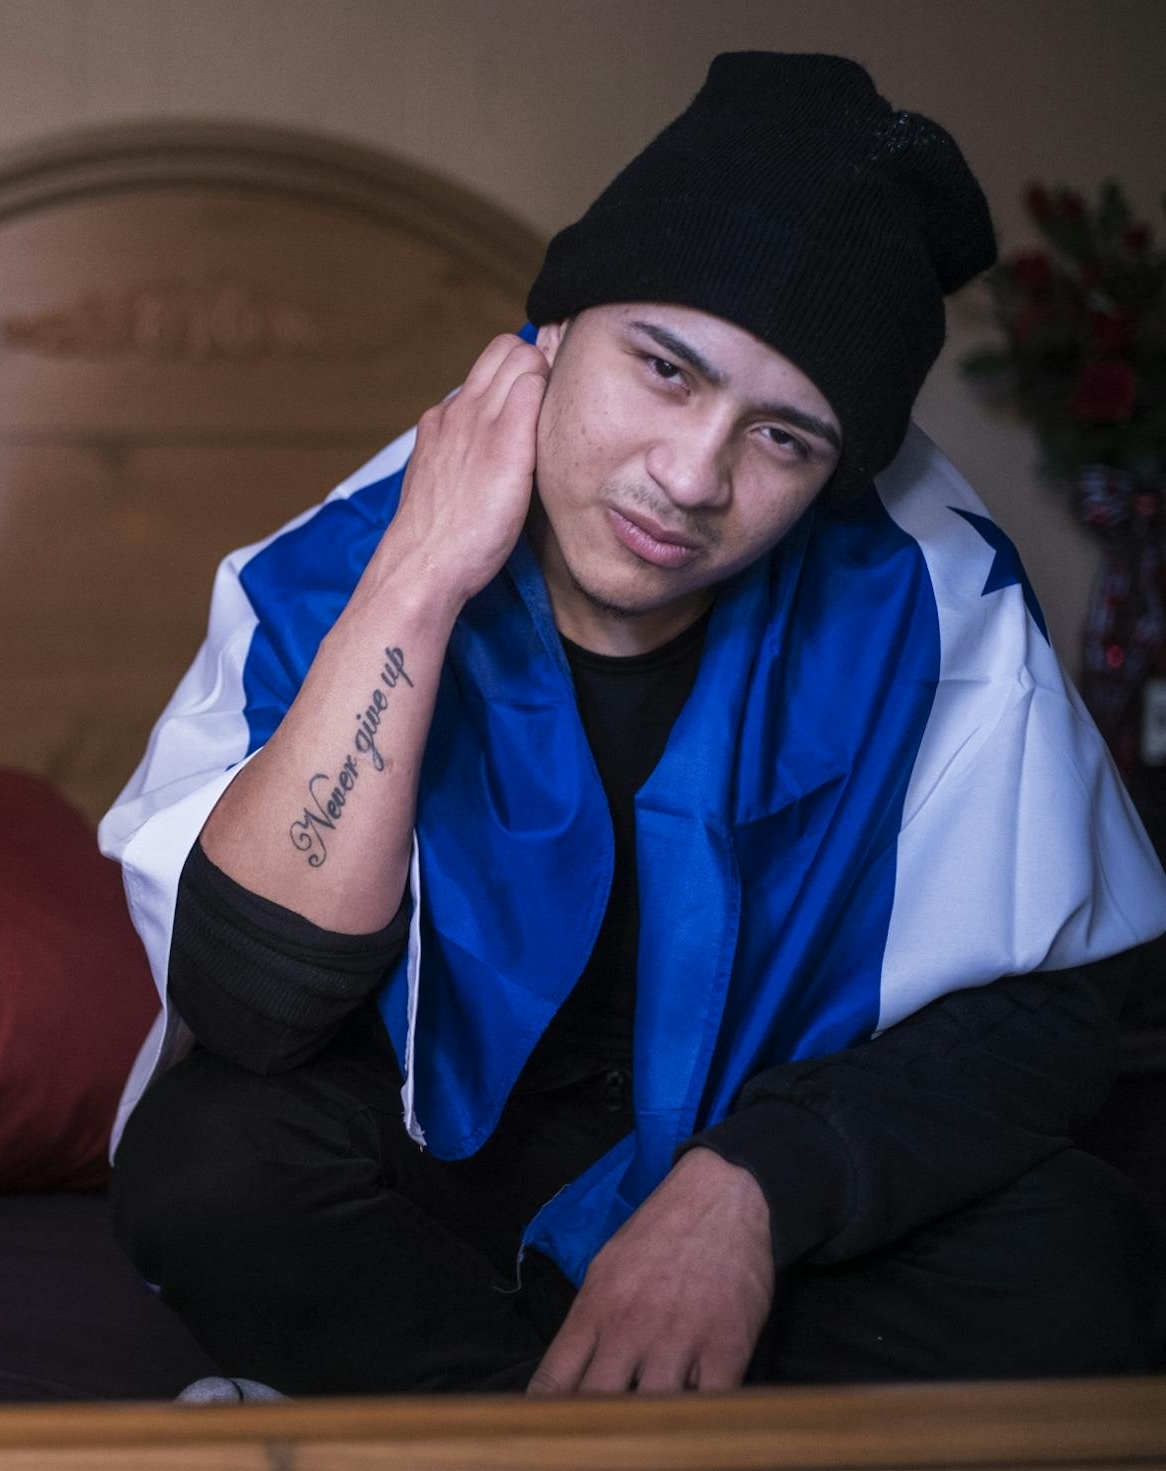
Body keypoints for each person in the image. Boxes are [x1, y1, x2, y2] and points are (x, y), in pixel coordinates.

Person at [98, 51, 1166, 1397]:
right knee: (207, 1169)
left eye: (784, 437)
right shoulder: (338, 569)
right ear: (551, 335)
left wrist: (753, 1191)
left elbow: (1064, 1013)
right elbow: (248, 1010)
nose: (691, 476)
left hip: (761, 1148)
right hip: (446, 1163)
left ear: (840, 470)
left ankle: (497, 1406)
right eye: (664, 370)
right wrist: (421, 579)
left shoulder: (932, 607)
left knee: (1086, 1253)